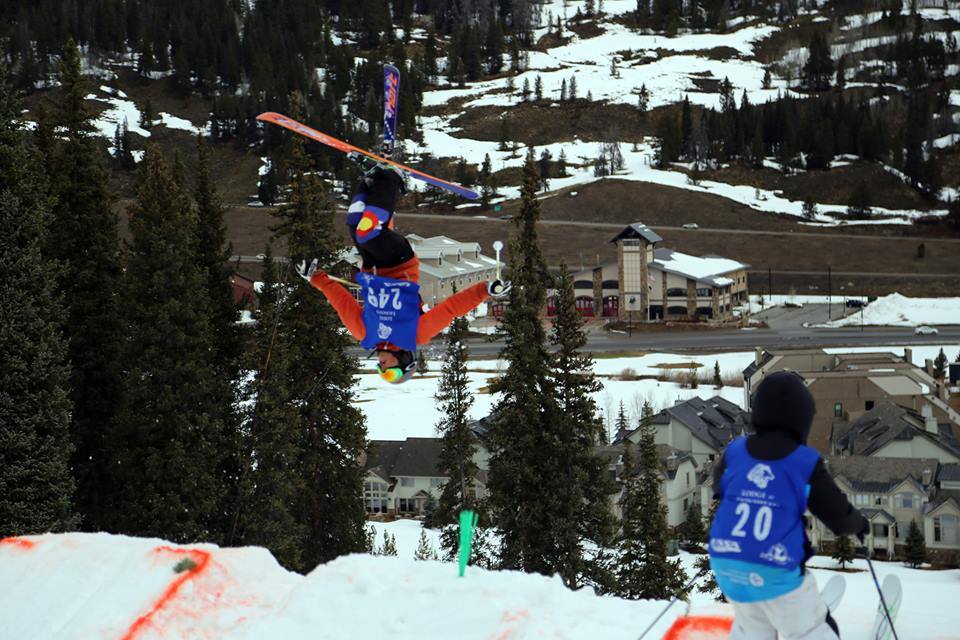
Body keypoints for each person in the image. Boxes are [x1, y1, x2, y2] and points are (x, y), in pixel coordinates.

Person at [297, 166, 510, 384]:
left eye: (382, 372)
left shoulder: (364, 333)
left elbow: (341, 301)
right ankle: (393, 176)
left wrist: (316, 278)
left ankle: (372, 181)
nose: (382, 367)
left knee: (354, 222)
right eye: (391, 372)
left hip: (371, 266)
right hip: (400, 263)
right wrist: (484, 290)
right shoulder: (416, 334)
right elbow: (451, 308)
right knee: (367, 233)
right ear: (405, 360)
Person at [708, 371, 869, 640]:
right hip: (775, 568)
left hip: (727, 565)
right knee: (810, 630)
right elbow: (837, 515)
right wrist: (858, 524)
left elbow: (718, 488)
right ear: (802, 418)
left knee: (753, 628)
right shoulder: (803, 461)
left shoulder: (735, 452)